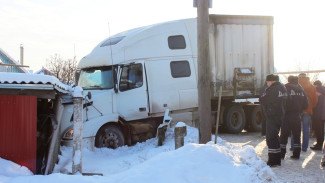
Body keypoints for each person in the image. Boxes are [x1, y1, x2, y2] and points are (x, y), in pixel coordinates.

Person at [260, 74, 287, 167]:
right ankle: (277, 159)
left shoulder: (273, 89)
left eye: (267, 82)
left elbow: (263, 99)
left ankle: (272, 161)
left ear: (271, 81)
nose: (267, 84)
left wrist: (263, 95)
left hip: (273, 115)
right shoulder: (283, 88)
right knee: (275, 137)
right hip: (280, 114)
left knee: (271, 137)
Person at [280, 76, 308, 160]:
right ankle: (296, 154)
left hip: (287, 115)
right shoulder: (301, 90)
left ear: (288, 81)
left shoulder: (285, 89)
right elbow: (306, 105)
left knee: (284, 136)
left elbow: (282, 102)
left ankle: (282, 154)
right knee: (297, 136)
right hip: (297, 116)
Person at [297, 73, 318, 151]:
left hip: (298, 110)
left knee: (295, 128)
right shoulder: (312, 87)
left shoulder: (296, 86)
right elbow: (315, 100)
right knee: (306, 129)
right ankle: (304, 147)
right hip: (308, 110)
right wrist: (310, 107)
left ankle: (294, 146)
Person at [311, 80, 325, 150]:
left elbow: (314, 103)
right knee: (322, 130)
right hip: (323, 114)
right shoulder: (323, 90)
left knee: (318, 130)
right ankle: (321, 143)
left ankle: (319, 144)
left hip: (317, 113)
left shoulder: (317, 91)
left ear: (316, 85)